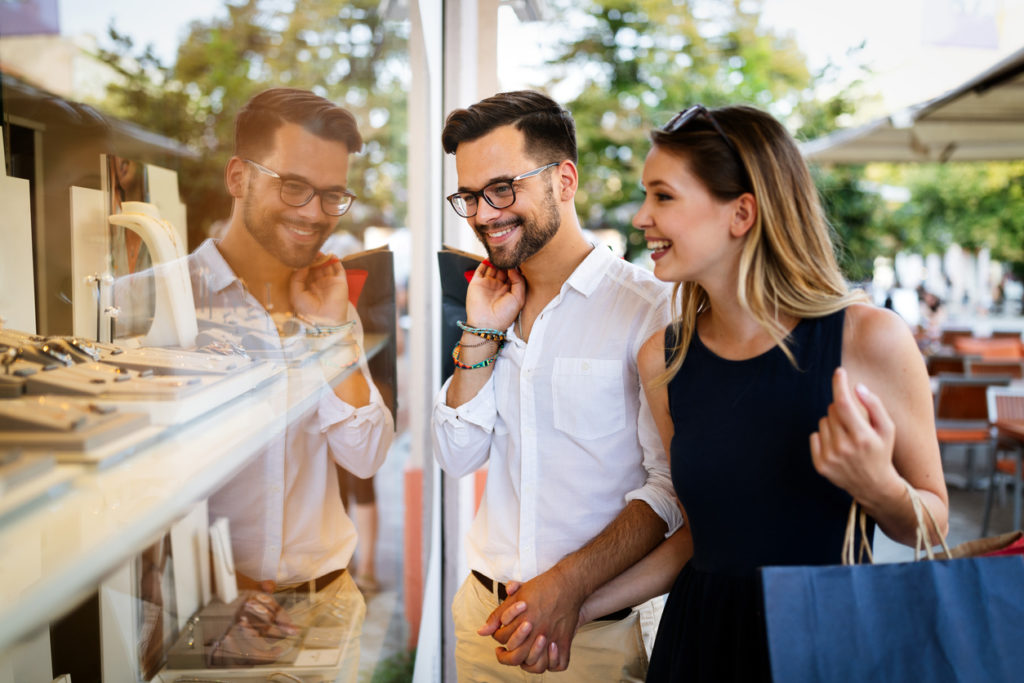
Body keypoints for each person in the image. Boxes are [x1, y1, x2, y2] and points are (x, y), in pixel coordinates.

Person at [491, 104, 949, 681]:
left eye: (663, 196)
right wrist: (572, 606)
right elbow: (696, 538)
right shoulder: (663, 355)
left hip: (824, 643)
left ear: (741, 213)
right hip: (699, 647)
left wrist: (880, 488)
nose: (640, 217)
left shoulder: (868, 339)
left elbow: (933, 522)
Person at [115, 88, 394, 653]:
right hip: (196, 616)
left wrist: (330, 332)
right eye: (293, 186)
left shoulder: (327, 300)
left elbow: (365, 455)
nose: (314, 213)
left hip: (324, 608)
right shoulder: (143, 304)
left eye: (332, 194)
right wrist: (201, 592)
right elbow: (118, 492)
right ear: (238, 177)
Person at [431, 90, 682, 682]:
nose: (482, 214)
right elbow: (457, 455)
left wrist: (569, 588)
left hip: (588, 634)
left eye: (501, 188)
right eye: (469, 196)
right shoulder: (489, 303)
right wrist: (479, 335)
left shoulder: (651, 310)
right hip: (482, 622)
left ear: (563, 180)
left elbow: (671, 488)